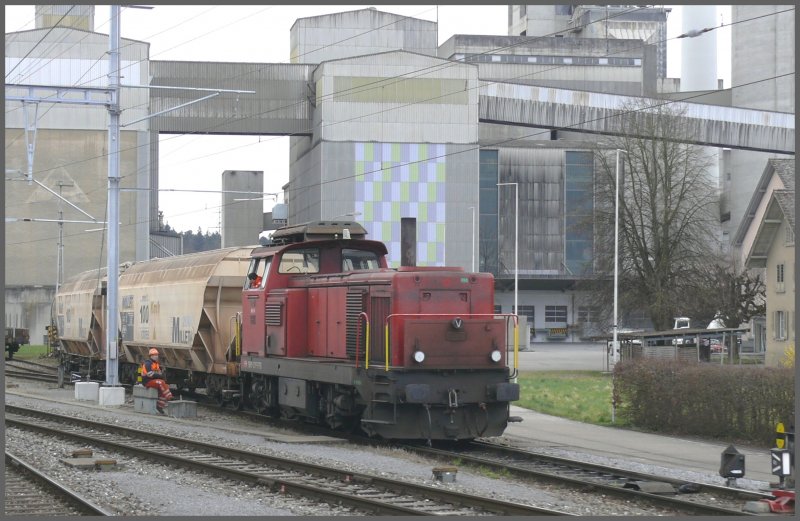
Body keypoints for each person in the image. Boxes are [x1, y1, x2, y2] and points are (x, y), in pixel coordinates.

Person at [141, 348, 173, 414]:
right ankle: (169, 396)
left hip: (154, 380)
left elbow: (159, 374)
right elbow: (150, 375)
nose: (156, 356)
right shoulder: (148, 364)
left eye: (157, 355)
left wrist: (159, 375)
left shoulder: (156, 364)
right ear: (151, 356)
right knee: (161, 383)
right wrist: (159, 375)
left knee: (165, 386)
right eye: (155, 355)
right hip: (147, 381)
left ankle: (160, 406)